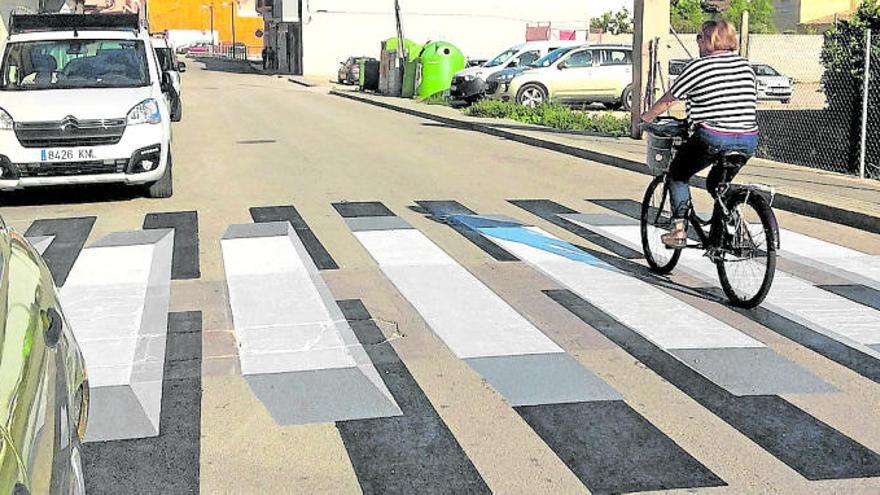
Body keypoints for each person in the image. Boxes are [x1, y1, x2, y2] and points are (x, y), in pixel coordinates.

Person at [641, 19, 759, 248]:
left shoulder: (697, 67)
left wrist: (644, 118)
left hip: (713, 136)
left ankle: (678, 231)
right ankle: (729, 228)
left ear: (712, 41)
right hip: (748, 138)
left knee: (677, 174)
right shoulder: (746, 67)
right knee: (717, 183)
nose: (697, 41)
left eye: (700, 37)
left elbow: (668, 99)